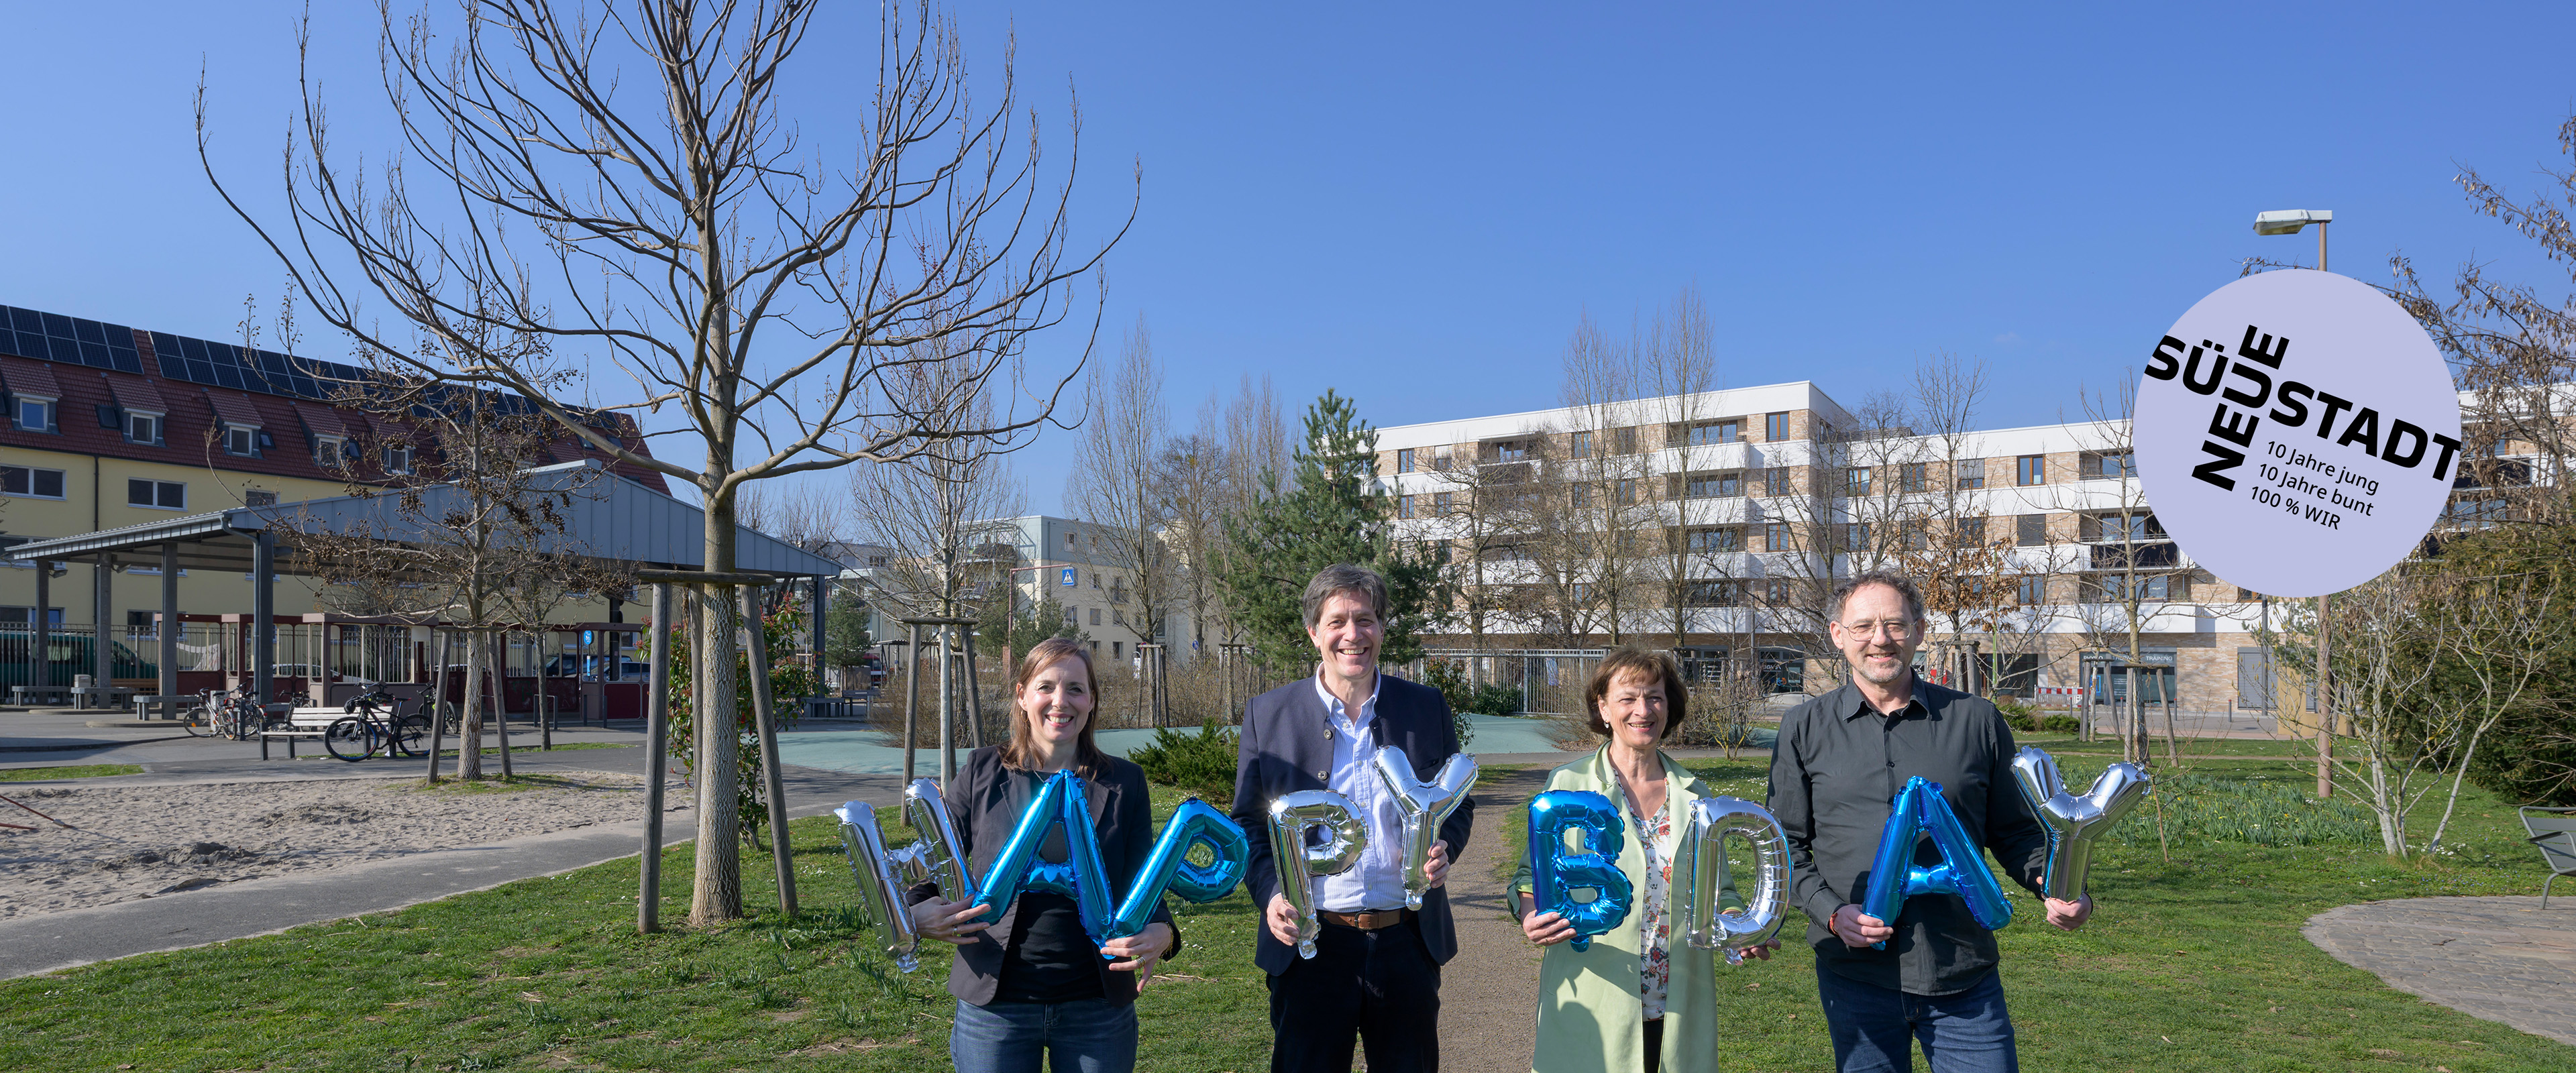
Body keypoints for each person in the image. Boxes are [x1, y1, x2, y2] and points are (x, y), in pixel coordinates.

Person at [1766, 571, 2092, 1073]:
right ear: (1838, 635)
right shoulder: (1803, 727)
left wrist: (2059, 886)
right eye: (1863, 626)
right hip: (1854, 977)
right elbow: (1785, 845)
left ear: (1919, 631)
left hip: (1962, 973)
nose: (1880, 639)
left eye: (1895, 625)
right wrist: (1831, 913)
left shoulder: (1976, 720)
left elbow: (2016, 832)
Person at [1232, 563, 1474, 1073]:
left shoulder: (1425, 706)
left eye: (1365, 620)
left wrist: (1445, 847)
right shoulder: (1268, 714)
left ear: (1381, 628)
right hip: (1311, 945)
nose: (1353, 635)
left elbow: (1457, 802)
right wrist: (1272, 893)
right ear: (1313, 632)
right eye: (1337, 621)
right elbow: (1250, 826)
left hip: (1406, 940)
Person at [908, 636, 1178, 1073]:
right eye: (1046, 687)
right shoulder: (982, 770)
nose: (1060, 701)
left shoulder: (1125, 781)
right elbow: (936, 860)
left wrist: (1163, 931)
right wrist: (915, 915)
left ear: (1091, 701)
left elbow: (1143, 878)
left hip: (1096, 1005)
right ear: (1022, 696)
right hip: (996, 1006)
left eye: (1075, 689)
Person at [1511, 646, 1778, 1073]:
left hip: (1677, 998)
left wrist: (1741, 928)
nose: (1643, 710)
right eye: (1628, 698)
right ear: (1603, 708)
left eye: (1655, 697)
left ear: (1669, 707)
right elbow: (1529, 876)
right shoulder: (1568, 783)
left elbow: (1721, 890)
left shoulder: (1695, 793)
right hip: (1598, 992)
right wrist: (1531, 914)